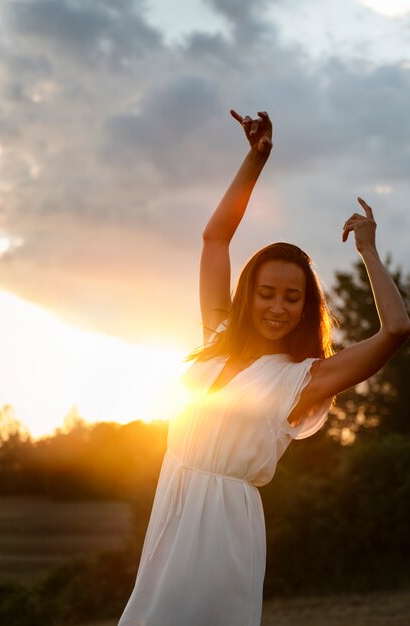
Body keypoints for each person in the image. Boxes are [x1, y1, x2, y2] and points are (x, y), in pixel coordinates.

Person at [118, 110, 410, 626]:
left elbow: (395, 331)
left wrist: (367, 250)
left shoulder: (302, 379)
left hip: (223, 531)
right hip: (173, 508)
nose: (277, 307)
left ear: (306, 308)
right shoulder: (214, 345)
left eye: (292, 298)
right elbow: (215, 240)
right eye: (267, 293)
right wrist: (256, 159)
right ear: (247, 296)